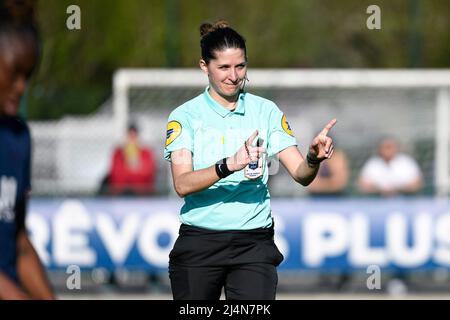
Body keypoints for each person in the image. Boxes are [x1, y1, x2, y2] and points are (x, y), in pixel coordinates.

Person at [163, 20, 336, 300]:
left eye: (240, 66)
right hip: (200, 242)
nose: (234, 76)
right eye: (223, 68)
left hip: (253, 244)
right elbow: (182, 184)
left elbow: (301, 174)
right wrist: (229, 165)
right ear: (204, 67)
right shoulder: (184, 116)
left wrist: (313, 157)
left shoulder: (266, 111)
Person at [0, 19, 54, 299]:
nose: (21, 87)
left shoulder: (18, 137)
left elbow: (18, 242)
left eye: (28, 76)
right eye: (14, 73)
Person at [357, 137, 423, 196]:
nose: (388, 150)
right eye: (385, 147)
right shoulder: (373, 163)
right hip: (377, 200)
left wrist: (397, 189)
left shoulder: (407, 162)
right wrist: (380, 190)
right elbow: (363, 185)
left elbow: (416, 184)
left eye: (390, 147)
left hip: (405, 199)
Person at [104, 123, 157, 196]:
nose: (132, 140)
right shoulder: (118, 153)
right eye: (130, 136)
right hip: (121, 194)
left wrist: (134, 166)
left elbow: (148, 176)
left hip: (141, 195)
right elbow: (116, 177)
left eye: (134, 137)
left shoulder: (146, 153)